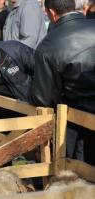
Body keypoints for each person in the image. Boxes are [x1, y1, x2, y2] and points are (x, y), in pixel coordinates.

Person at [29, 0, 95, 165]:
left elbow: (44, 97)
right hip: (80, 114)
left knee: (79, 173)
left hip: (75, 119)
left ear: (51, 12)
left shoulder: (47, 45)